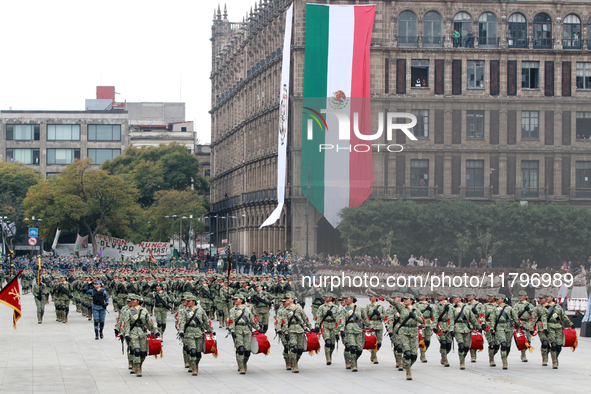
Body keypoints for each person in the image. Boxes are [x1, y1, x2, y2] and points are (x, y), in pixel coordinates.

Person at [386, 293, 423, 380]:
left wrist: (415, 316)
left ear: (411, 300)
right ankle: (408, 372)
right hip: (403, 332)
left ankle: (406, 364)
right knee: (407, 353)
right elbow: (393, 302)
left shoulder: (416, 310)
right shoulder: (402, 308)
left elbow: (422, 320)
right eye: (404, 299)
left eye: (407, 299)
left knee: (414, 355)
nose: (405, 300)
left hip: (413, 332)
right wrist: (384, 297)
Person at [177, 292, 215, 375]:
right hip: (189, 333)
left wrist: (211, 330)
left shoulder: (200, 311)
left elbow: (205, 322)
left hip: (198, 333)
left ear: (194, 301)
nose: (187, 302)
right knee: (192, 351)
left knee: (198, 353)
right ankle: (193, 368)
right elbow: (182, 322)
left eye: (189, 301)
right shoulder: (184, 311)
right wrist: (181, 331)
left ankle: (195, 364)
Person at [122, 294, 159, 377]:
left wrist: (155, 330)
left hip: (142, 333)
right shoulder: (129, 311)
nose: (132, 301)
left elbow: (149, 323)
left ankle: (138, 365)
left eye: (134, 299)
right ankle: (138, 369)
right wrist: (127, 334)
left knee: (143, 353)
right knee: (137, 351)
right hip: (133, 333)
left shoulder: (144, 310)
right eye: (131, 299)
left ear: (138, 301)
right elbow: (127, 323)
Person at [278, 292, 312, 373]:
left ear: (292, 299)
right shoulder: (285, 311)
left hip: (300, 329)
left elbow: (305, 318)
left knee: (300, 349)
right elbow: (285, 322)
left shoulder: (299, 308)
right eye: (286, 299)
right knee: (294, 348)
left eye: (288, 298)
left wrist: (311, 328)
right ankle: (295, 366)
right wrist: (285, 333)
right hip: (291, 330)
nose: (287, 300)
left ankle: (294, 361)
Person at [449, 294, 484, 369]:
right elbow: (451, 320)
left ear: (460, 298)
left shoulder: (467, 307)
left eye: (456, 297)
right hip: (457, 328)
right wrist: (451, 329)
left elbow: (472, 319)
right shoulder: (452, 308)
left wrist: (479, 327)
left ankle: (463, 357)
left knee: (466, 347)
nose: (454, 298)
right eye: (453, 297)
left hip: (467, 328)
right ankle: (462, 363)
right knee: (461, 345)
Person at [490, 294, 524, 370]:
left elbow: (515, 318)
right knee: (503, 344)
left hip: (508, 327)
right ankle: (504, 362)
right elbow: (493, 319)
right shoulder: (494, 309)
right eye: (496, 299)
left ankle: (505, 356)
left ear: (503, 299)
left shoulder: (509, 308)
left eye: (498, 299)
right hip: (500, 327)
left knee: (508, 346)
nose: (497, 300)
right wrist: (492, 328)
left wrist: (520, 325)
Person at [228, 294, 258, 374]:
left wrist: (258, 328)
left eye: (236, 299)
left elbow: (252, 320)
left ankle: (244, 362)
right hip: (238, 331)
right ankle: (241, 366)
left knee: (247, 350)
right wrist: (232, 331)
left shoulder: (247, 309)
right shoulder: (232, 310)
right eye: (234, 299)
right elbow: (231, 321)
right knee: (240, 349)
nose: (235, 301)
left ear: (241, 300)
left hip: (247, 331)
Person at [544, 293, 574, 368]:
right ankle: (554, 361)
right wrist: (545, 328)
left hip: (558, 327)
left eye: (548, 297)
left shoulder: (558, 307)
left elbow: (563, 316)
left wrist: (570, 323)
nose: (546, 298)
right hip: (550, 327)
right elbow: (543, 319)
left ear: (552, 298)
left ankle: (556, 357)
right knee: (553, 345)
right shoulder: (545, 308)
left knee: (559, 346)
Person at [316, 293, 340, 365]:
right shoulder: (322, 307)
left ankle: (330, 354)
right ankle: (328, 358)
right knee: (328, 342)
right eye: (325, 297)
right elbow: (318, 317)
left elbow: (338, 319)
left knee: (332, 344)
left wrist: (332, 315)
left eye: (327, 297)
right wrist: (317, 325)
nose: (325, 298)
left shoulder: (335, 307)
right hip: (325, 325)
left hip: (333, 326)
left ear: (331, 298)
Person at [365, 294, 386, 364]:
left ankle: (372, 353)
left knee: (379, 342)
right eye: (369, 297)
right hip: (371, 325)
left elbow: (384, 317)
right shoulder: (368, 306)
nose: (370, 298)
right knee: (373, 342)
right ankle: (375, 357)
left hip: (379, 325)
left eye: (372, 297)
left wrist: (379, 314)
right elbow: (365, 316)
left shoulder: (381, 307)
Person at [433, 292, 453, 367]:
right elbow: (435, 316)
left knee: (449, 345)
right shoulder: (438, 306)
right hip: (440, 326)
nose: (438, 297)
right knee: (443, 343)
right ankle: (445, 360)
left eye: (440, 295)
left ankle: (443, 355)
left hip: (448, 326)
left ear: (444, 296)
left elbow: (452, 317)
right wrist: (434, 326)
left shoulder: (450, 305)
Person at [416, 292, 434, 362]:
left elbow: (433, 316)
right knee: (422, 340)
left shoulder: (430, 305)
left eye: (422, 295)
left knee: (428, 341)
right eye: (420, 295)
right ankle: (423, 356)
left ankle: (423, 352)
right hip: (421, 323)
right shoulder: (417, 305)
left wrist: (431, 310)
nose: (421, 296)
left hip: (428, 323)